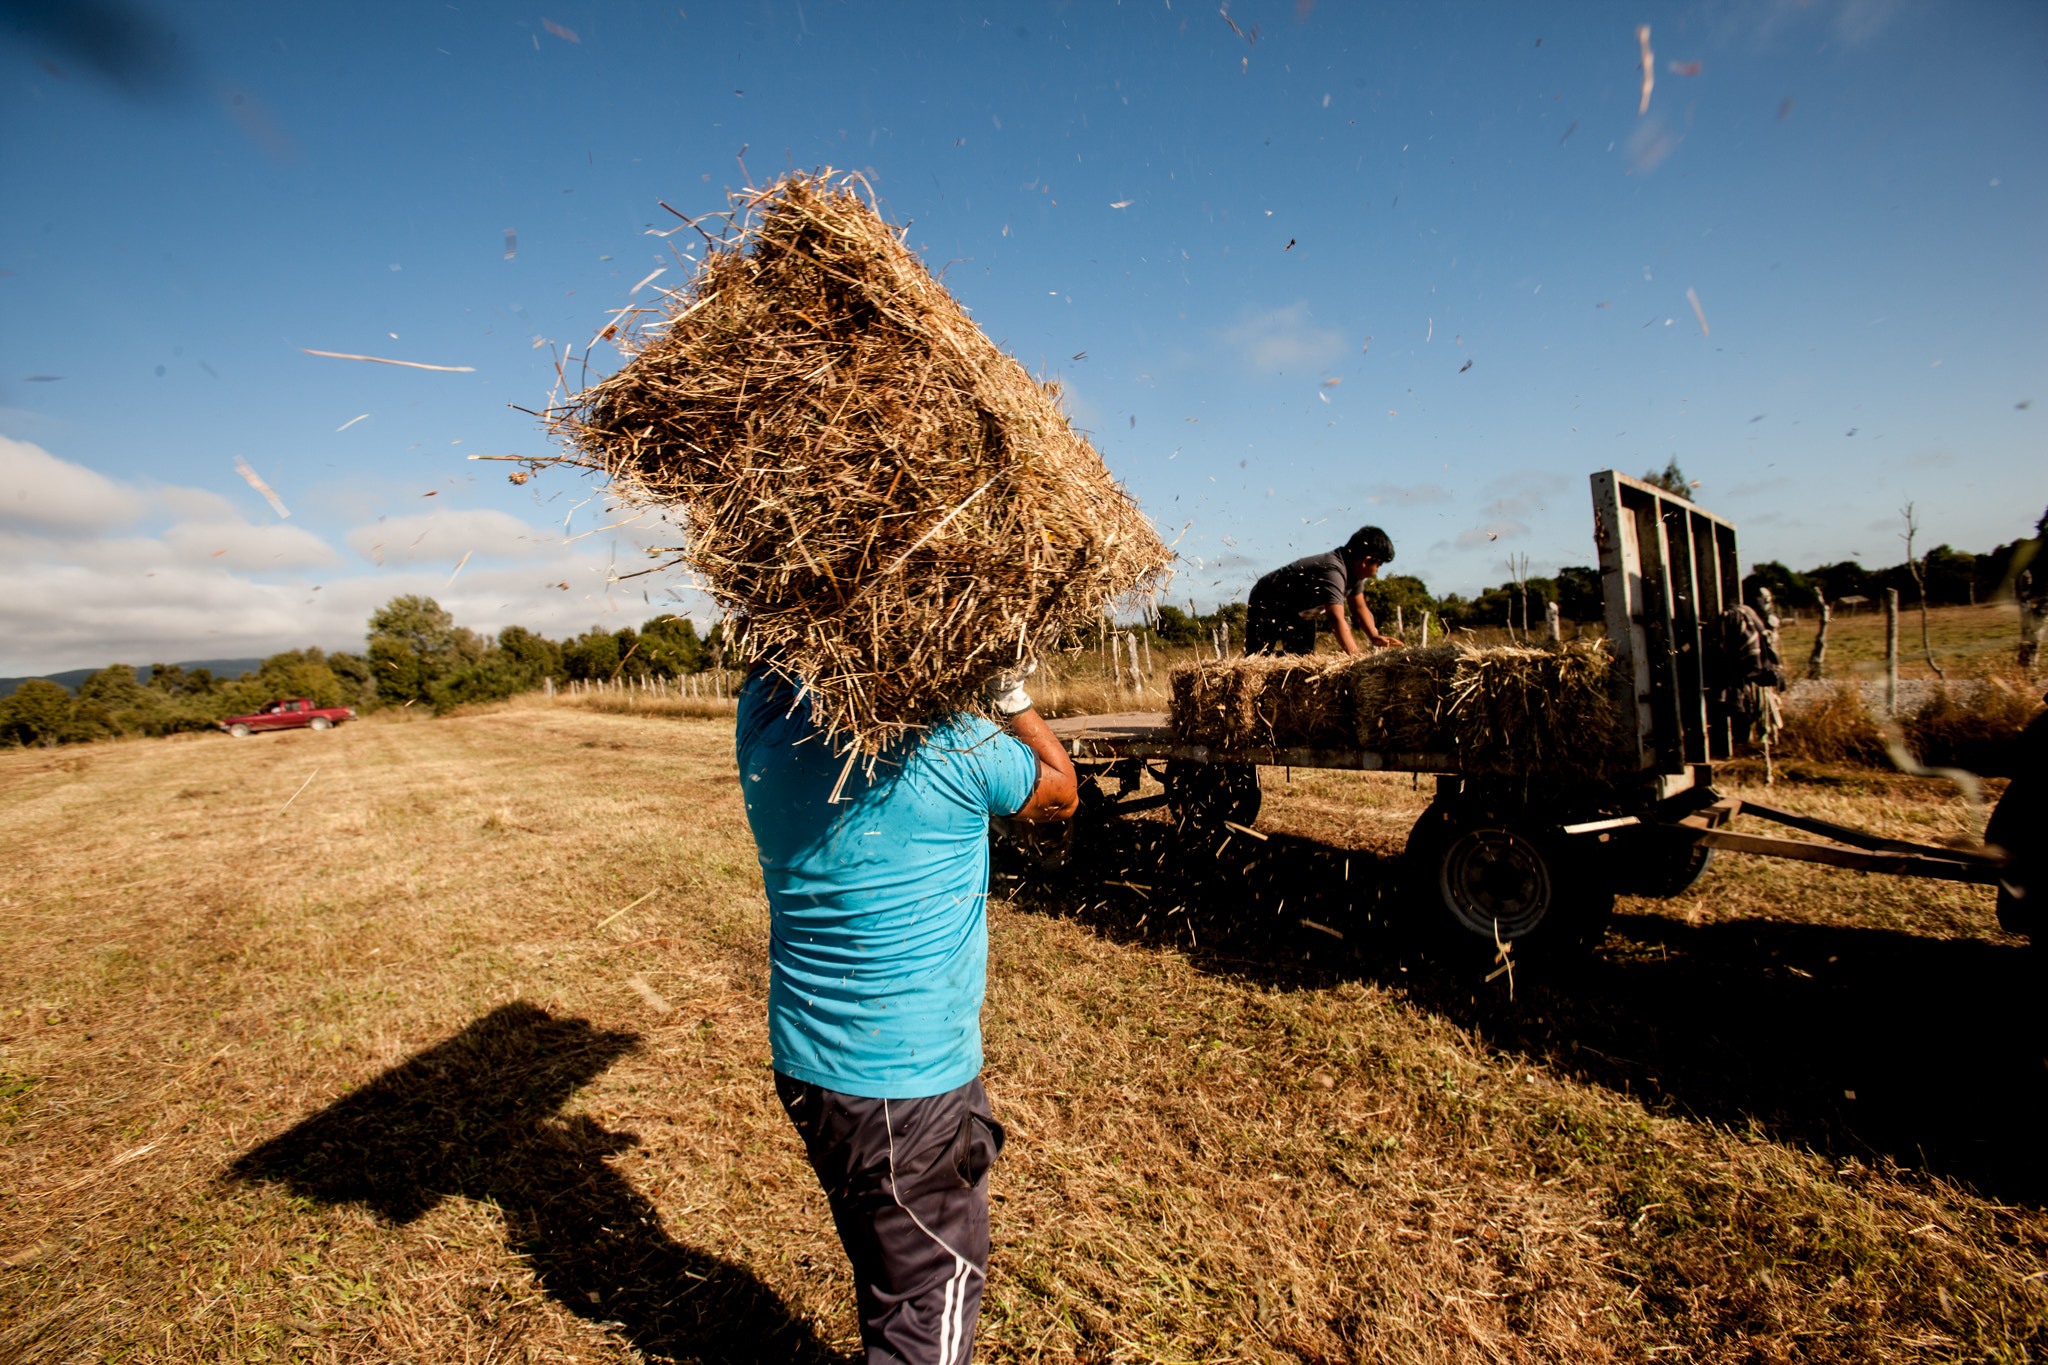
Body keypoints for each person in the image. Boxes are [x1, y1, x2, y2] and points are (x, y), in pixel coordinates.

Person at [735, 655, 1077, 1364]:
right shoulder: (954, 745)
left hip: (807, 1068)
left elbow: (765, 657)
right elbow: (1063, 790)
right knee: (928, 1293)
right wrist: (1010, 695)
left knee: (885, 1251)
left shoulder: (766, 721)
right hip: (905, 1091)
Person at [1245, 525, 1404, 655]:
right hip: (1266, 601)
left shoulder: (1354, 573)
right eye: (1378, 565)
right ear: (1366, 561)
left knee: (1303, 660)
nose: (1377, 571)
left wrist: (1374, 636)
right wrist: (1355, 657)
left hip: (1299, 613)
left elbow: (1359, 608)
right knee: (1258, 658)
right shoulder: (1333, 570)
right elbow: (1335, 618)